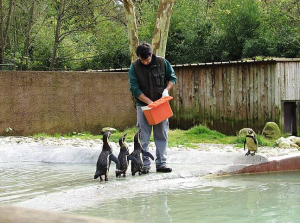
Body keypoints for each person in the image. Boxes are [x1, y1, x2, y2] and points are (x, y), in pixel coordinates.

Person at [128, 41, 177, 173]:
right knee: (143, 137)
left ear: (151, 54)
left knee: (161, 135)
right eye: (142, 59)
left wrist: (166, 90)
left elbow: (172, 78)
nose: (144, 62)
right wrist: (149, 102)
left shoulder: (162, 62)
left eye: (147, 59)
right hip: (143, 107)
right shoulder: (134, 67)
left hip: (160, 105)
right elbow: (134, 88)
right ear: (138, 57)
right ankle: (145, 165)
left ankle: (161, 164)